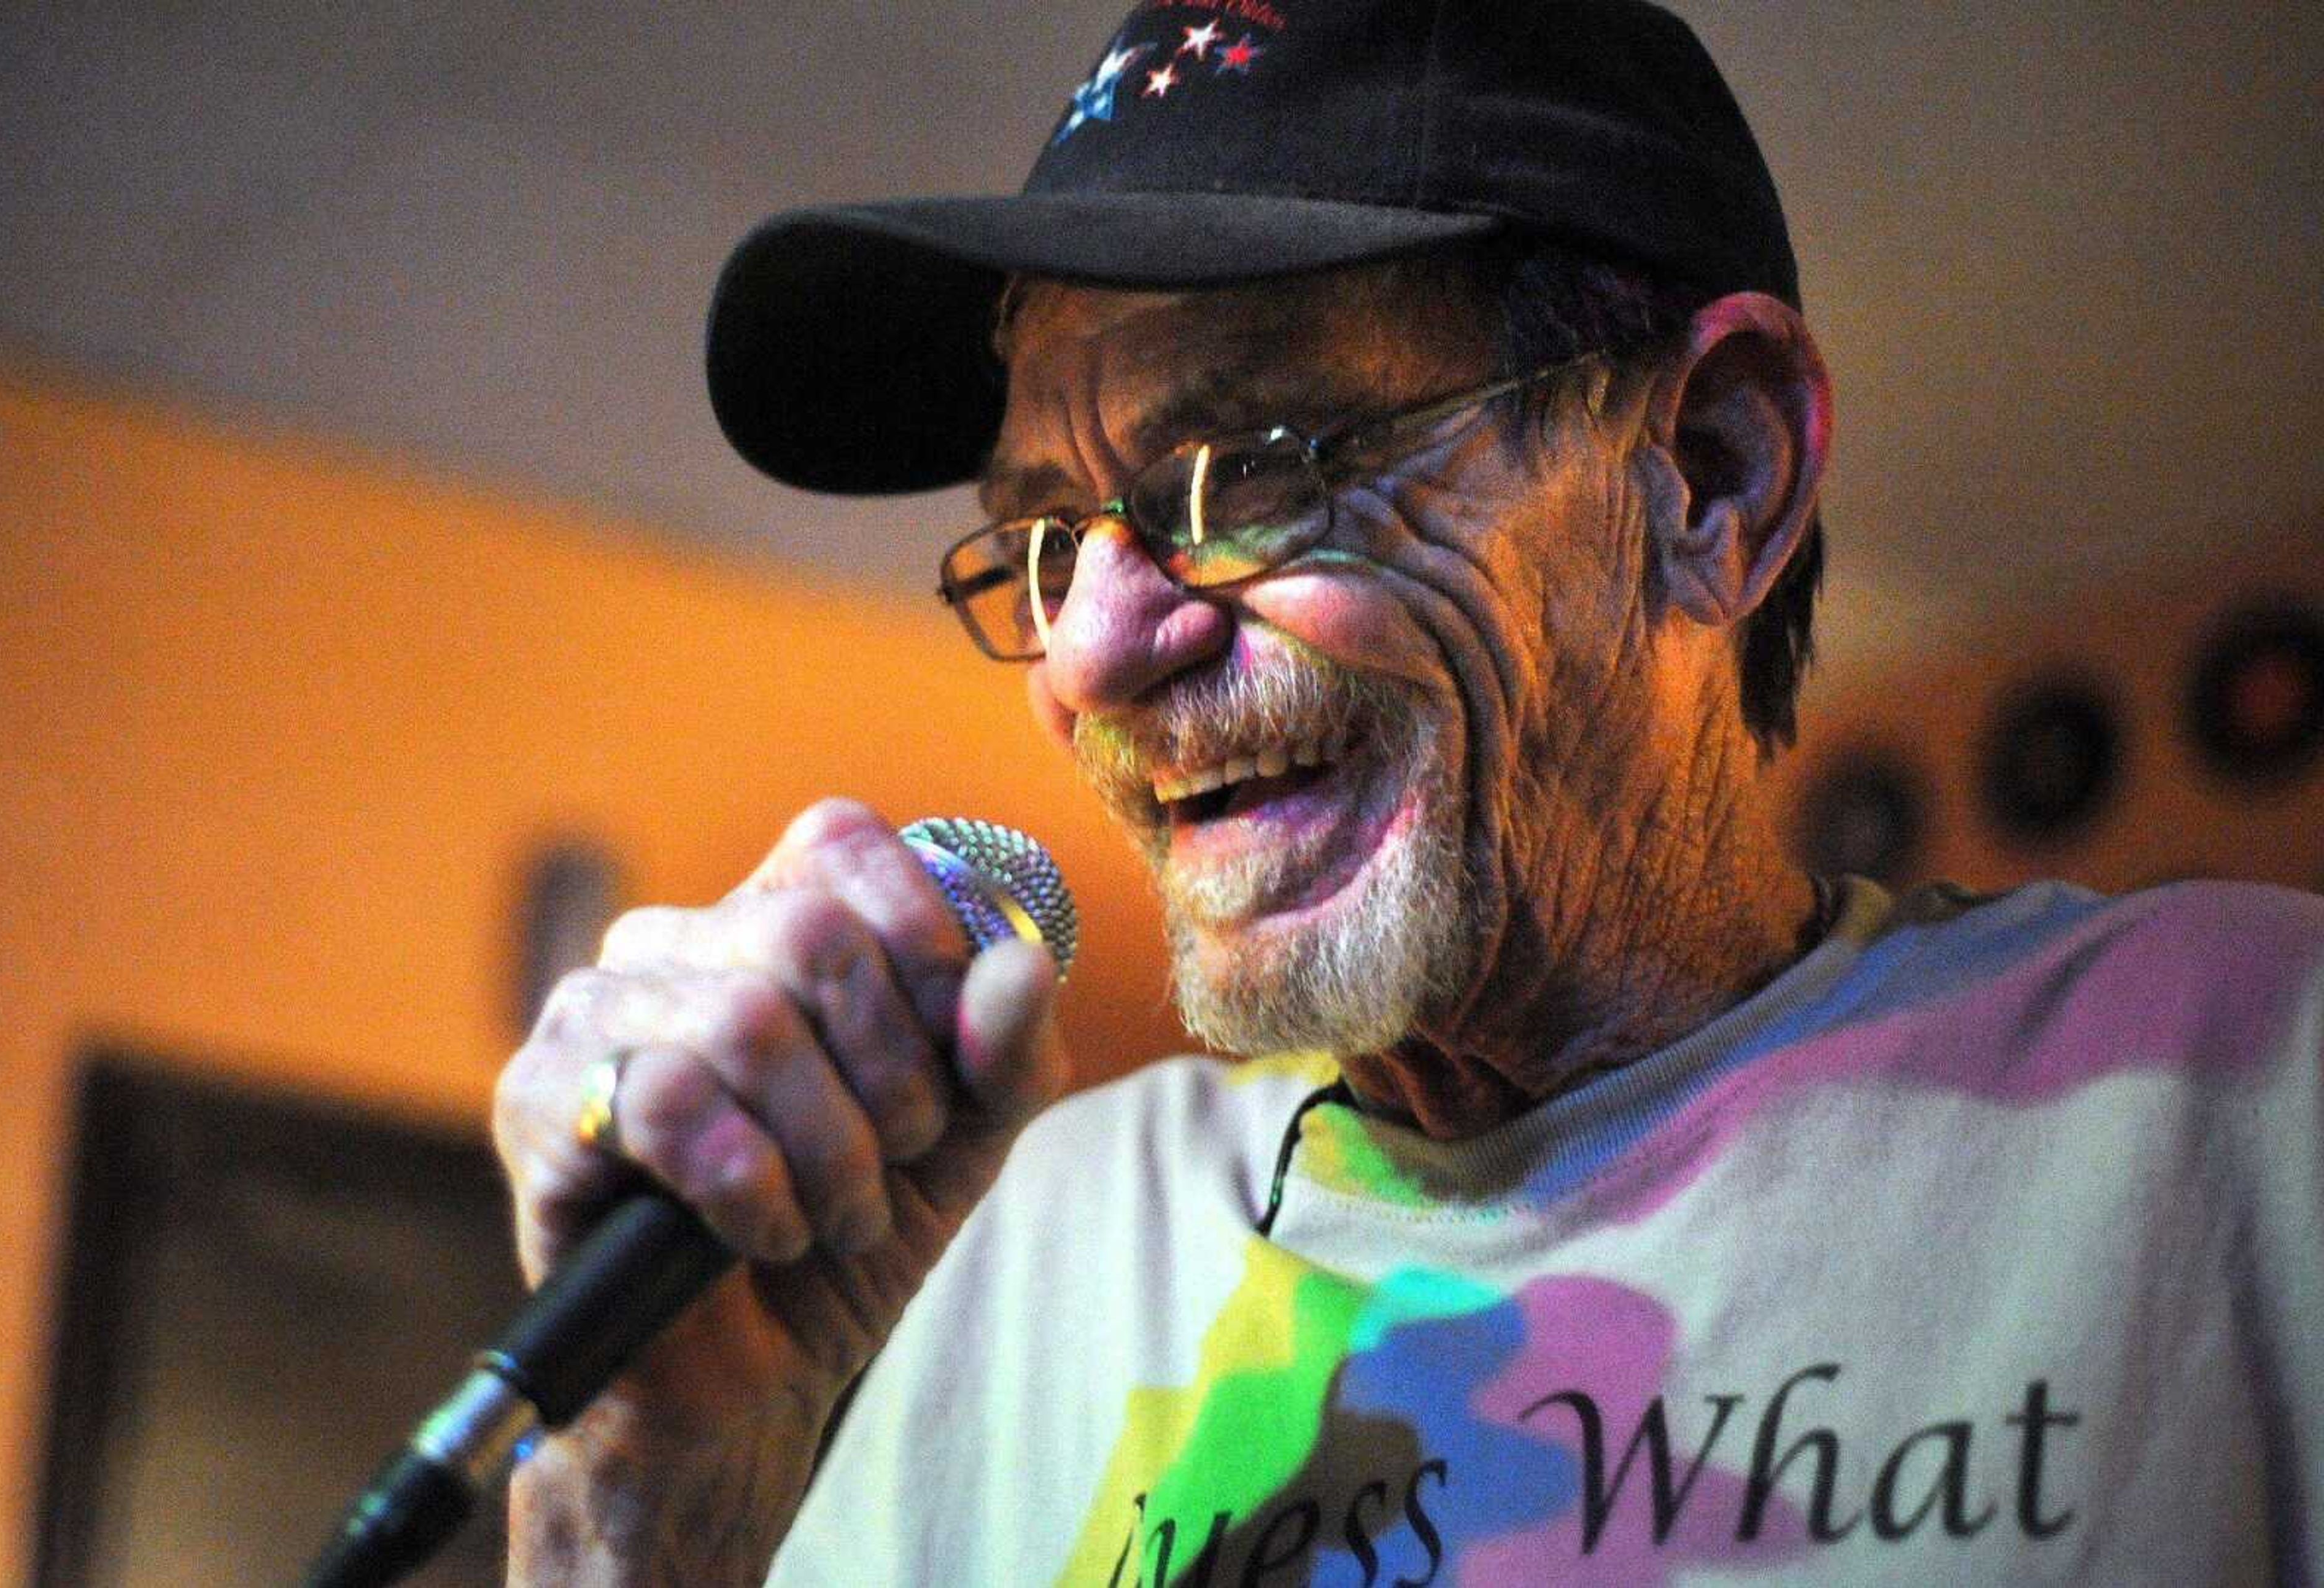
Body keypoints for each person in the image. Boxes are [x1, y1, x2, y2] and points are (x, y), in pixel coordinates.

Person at [492, 1, 2323, 1581]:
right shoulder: (1018, 1248)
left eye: (1253, 462)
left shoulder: (2245, 1093)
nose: (1092, 655)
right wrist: (643, 1476)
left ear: (1712, 468)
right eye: (1045, 540)